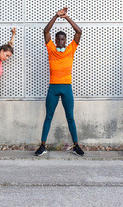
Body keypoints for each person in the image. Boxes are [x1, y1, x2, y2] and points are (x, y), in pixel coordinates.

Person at [35, 8, 84, 157]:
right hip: (53, 88)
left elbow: (79, 32)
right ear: (55, 40)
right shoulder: (51, 49)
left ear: (65, 40)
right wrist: (56, 16)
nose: (61, 41)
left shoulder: (70, 48)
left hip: (67, 87)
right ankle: (42, 146)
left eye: (63, 39)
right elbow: (45, 31)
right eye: (59, 39)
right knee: (48, 116)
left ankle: (76, 145)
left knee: (70, 117)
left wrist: (67, 17)